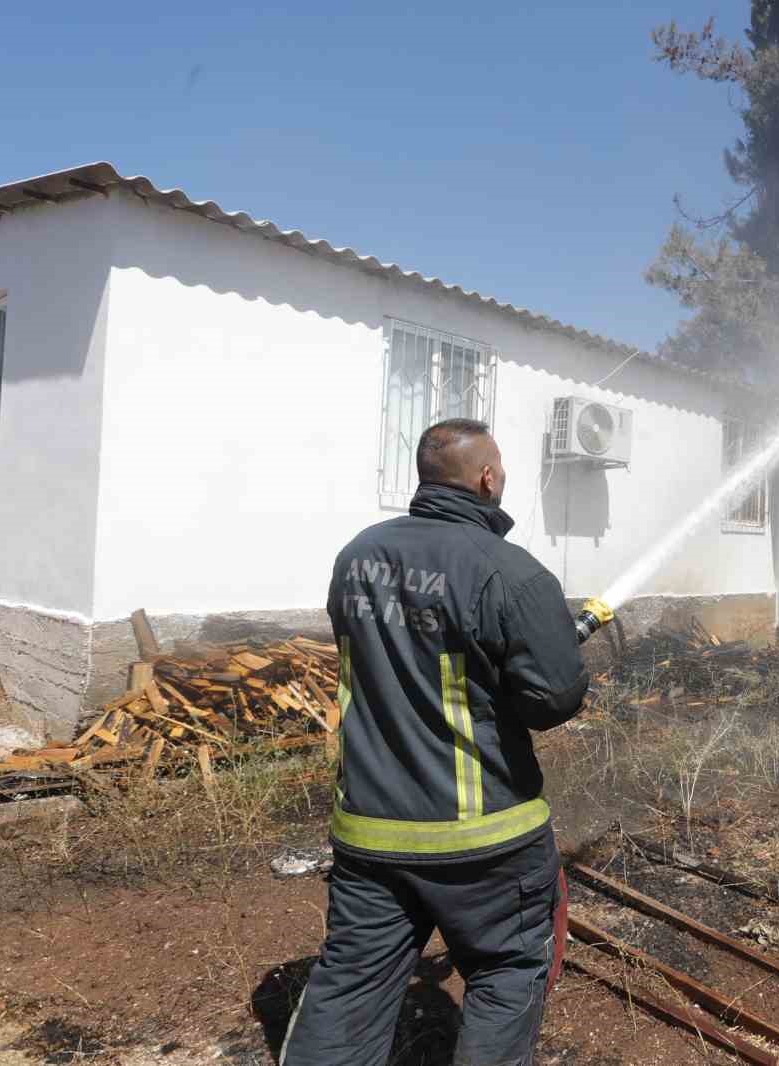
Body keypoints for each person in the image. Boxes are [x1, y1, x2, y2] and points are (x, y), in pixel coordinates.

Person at [280, 418, 588, 1066]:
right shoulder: (510, 572)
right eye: (499, 466)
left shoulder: (357, 556)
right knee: (507, 972)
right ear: (486, 477)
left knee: (350, 986)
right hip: (484, 840)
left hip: (371, 832)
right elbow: (552, 701)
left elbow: (403, 661)